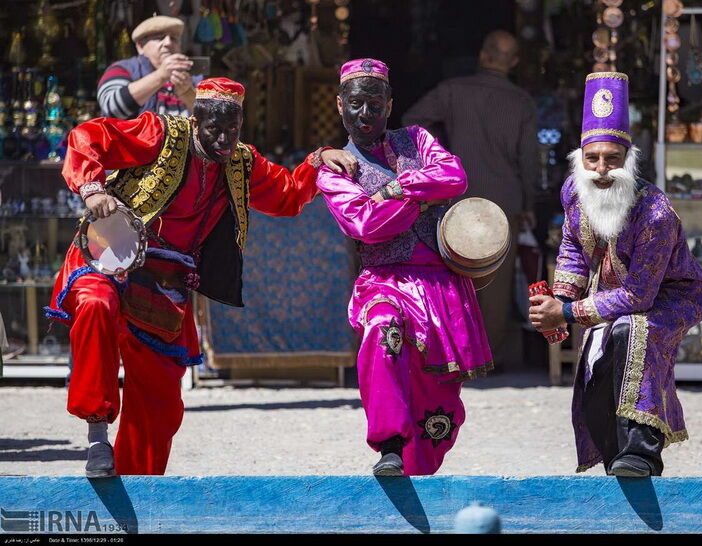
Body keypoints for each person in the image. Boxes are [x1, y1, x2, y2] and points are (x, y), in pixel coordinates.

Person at [44, 77, 356, 477]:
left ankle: (139, 487)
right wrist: (91, 189)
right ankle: (96, 433)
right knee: (95, 304)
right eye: (214, 129)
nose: (224, 140)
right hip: (107, 259)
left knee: (160, 401)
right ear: (196, 120)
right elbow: (88, 135)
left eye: (233, 130)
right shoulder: (159, 132)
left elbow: (287, 194)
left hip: (164, 282)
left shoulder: (241, 162)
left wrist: (319, 160)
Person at [528, 72, 702, 477]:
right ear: (580, 159)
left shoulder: (655, 213)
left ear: (628, 161)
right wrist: (558, 300)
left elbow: (639, 298)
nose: (601, 170)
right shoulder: (573, 192)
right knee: (603, 347)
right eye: (592, 159)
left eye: (612, 159)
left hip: (672, 296)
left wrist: (568, 313)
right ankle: (612, 452)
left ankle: (641, 454)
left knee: (632, 331)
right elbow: (574, 248)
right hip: (614, 293)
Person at [316, 59, 493, 476]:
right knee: (383, 332)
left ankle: (417, 473)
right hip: (384, 281)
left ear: (390, 105)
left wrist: (395, 190)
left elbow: (455, 175)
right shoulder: (335, 167)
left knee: (439, 404)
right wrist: (424, 197)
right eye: (356, 103)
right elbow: (365, 225)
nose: (365, 114)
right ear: (339, 105)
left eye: (375, 105)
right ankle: (389, 446)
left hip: (441, 286)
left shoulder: (416, 138)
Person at [402, 29, 540, 370]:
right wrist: (529, 204)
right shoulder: (521, 102)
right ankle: (486, 359)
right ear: (515, 62)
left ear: (482, 55)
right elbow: (529, 160)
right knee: (496, 281)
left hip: (457, 195)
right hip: (504, 199)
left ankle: (453, 353)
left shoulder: (452, 91)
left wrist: (439, 157)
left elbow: (410, 121)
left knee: (454, 274)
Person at [97, 15, 201, 119]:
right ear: (140, 46)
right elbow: (111, 109)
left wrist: (187, 93)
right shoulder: (122, 69)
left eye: (174, 38)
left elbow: (211, 117)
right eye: (159, 38)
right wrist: (160, 76)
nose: (168, 43)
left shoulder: (193, 75)